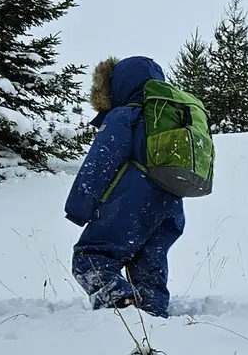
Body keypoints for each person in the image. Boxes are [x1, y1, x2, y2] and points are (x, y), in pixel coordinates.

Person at [65, 56, 185, 318]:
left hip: (131, 203)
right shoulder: (172, 118)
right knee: (148, 265)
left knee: (91, 257)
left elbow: (101, 161)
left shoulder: (125, 116)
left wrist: (78, 207)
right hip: (171, 205)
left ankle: (122, 305)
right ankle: (153, 316)